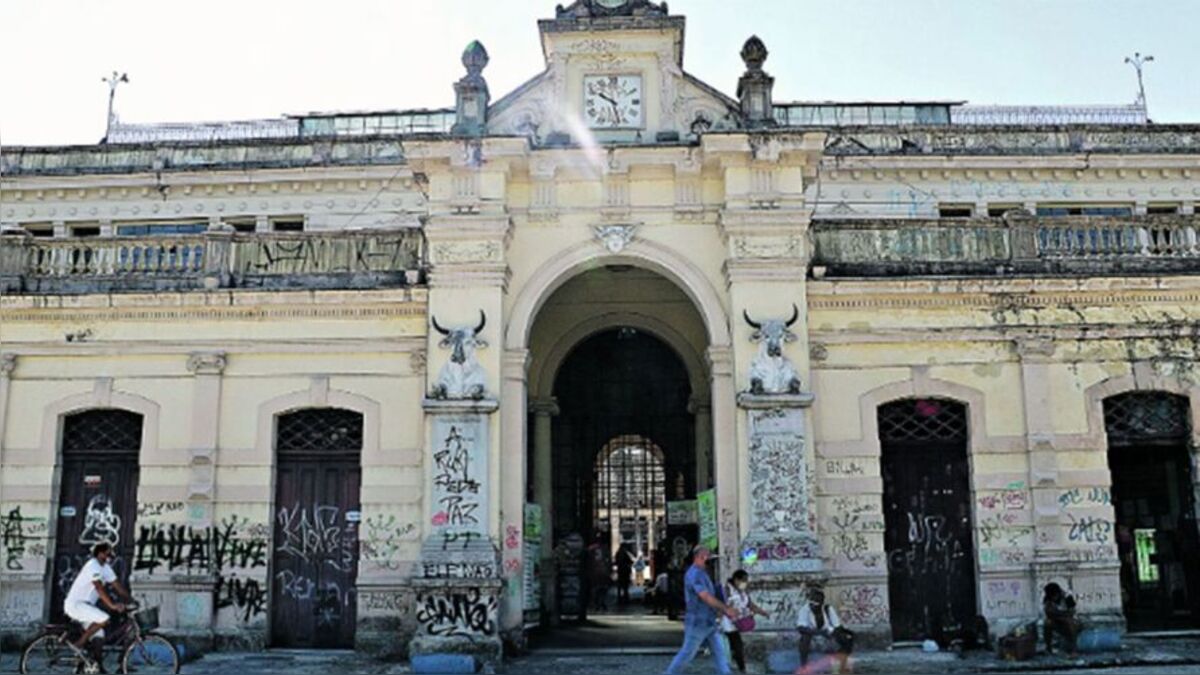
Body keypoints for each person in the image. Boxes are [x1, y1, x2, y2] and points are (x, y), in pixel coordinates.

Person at [664, 546, 736, 675]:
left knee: (719, 652)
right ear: (700, 556)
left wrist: (720, 609)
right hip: (698, 621)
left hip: (709, 621)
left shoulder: (703, 573)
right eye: (707, 556)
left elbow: (711, 595)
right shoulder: (695, 574)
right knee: (687, 653)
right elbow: (705, 596)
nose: (709, 560)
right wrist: (725, 608)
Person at [64, 542, 131, 671]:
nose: (110, 556)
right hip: (76, 604)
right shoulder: (92, 565)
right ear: (100, 554)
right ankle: (79, 644)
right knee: (104, 618)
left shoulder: (105, 567)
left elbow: (117, 585)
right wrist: (112, 605)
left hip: (86, 607)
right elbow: (99, 587)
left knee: (99, 635)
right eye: (107, 553)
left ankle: (97, 666)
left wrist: (131, 599)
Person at [720, 569, 770, 673]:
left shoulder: (743, 592)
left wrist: (763, 612)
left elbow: (750, 605)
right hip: (727, 623)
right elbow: (720, 605)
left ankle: (738, 667)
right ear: (736, 580)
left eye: (746, 580)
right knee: (734, 646)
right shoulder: (726, 590)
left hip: (738, 622)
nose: (745, 583)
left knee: (736, 646)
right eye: (743, 580)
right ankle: (738, 668)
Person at [796, 588, 854, 674]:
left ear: (821, 603)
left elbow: (837, 626)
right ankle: (804, 666)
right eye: (812, 603)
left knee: (846, 639)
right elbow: (801, 627)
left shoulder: (828, 609)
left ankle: (841, 664)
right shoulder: (805, 609)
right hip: (812, 634)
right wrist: (819, 633)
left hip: (828, 632)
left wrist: (833, 633)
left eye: (817, 604)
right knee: (804, 639)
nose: (814, 607)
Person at [1042, 583, 1080, 656]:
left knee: (1069, 621)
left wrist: (1059, 614)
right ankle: (1048, 648)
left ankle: (1074, 649)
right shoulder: (1048, 599)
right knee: (1047, 623)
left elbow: (1072, 612)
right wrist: (1061, 615)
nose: (1053, 598)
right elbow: (1048, 612)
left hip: (1072, 623)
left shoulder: (1067, 597)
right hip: (1057, 621)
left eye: (1055, 596)